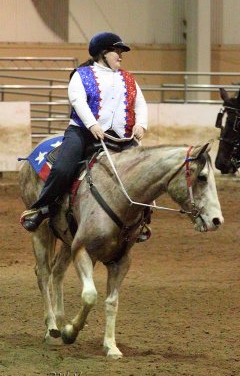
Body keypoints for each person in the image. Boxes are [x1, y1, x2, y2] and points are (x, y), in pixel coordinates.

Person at [21, 32, 148, 232]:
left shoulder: (128, 78)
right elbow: (78, 101)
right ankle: (42, 208)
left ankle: (141, 220)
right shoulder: (81, 75)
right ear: (103, 53)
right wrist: (91, 124)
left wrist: (141, 124)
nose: (120, 56)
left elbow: (140, 103)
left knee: (144, 170)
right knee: (63, 167)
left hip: (121, 137)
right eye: (117, 51)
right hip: (83, 132)